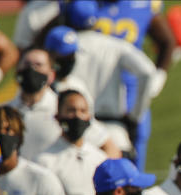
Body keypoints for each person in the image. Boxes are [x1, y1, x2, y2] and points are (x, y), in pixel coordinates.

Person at [59, 0, 157, 160]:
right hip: (115, 133)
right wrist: (135, 116)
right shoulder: (114, 45)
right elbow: (147, 72)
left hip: (76, 132)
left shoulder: (66, 48)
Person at [91, 0, 175, 169]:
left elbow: (167, 41)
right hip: (93, 90)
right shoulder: (82, 5)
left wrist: (159, 75)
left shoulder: (143, 5)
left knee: (136, 148)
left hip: (131, 92)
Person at [8, 47, 118, 162]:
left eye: (38, 65)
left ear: (51, 75)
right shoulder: (6, 110)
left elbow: (110, 147)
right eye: (27, 64)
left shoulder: (64, 109)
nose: (32, 69)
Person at [37, 89, 108, 195]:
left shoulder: (100, 158)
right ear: (58, 116)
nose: (77, 116)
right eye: (71, 111)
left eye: (83, 111)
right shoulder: (45, 162)